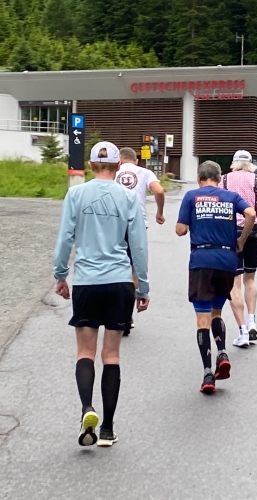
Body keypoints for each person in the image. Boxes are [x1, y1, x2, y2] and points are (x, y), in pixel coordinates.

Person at [54, 141, 150, 447]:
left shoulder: (76, 194)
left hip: (87, 281)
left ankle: (87, 409)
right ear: (118, 166)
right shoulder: (128, 196)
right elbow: (138, 244)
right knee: (111, 355)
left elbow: (65, 237)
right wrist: (143, 286)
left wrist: (60, 274)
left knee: (85, 352)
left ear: (92, 165)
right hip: (119, 281)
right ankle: (107, 429)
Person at [176, 161, 256, 393]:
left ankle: (208, 374)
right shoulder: (231, 197)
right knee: (217, 312)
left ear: (198, 178)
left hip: (202, 260)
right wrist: (241, 241)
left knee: (202, 320)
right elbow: (251, 213)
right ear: (220, 179)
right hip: (227, 260)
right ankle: (222, 352)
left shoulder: (191, 197)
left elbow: (180, 230)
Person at [220, 150, 257, 348]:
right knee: (250, 278)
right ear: (251, 164)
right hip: (255, 230)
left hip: (231, 231)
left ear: (234, 163)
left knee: (234, 281)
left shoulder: (224, 179)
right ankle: (252, 321)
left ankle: (242, 331)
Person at [115, 147, 165, 336]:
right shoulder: (144, 172)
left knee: (116, 266)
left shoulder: (113, 171)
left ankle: (116, 314)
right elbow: (159, 190)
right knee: (135, 268)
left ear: (119, 160)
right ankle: (128, 316)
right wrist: (159, 212)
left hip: (114, 224)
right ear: (136, 160)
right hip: (137, 224)